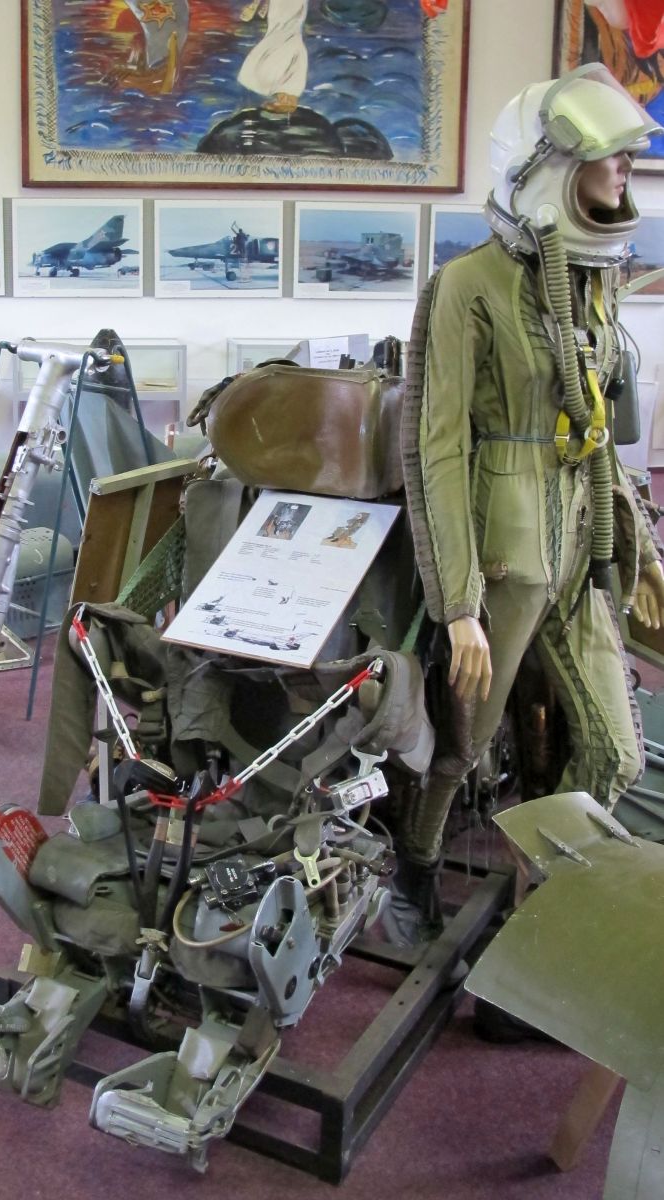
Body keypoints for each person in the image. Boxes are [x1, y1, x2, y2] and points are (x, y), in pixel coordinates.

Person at [387, 63, 664, 948]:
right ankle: (416, 864)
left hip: (578, 547)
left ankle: (549, 909)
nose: (625, 169)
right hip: (503, 558)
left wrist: (637, 545)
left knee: (616, 753)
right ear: (547, 168)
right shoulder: (466, 287)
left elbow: (598, 428)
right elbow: (435, 450)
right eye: (608, 156)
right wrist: (459, 604)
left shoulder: (589, 281)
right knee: (461, 743)